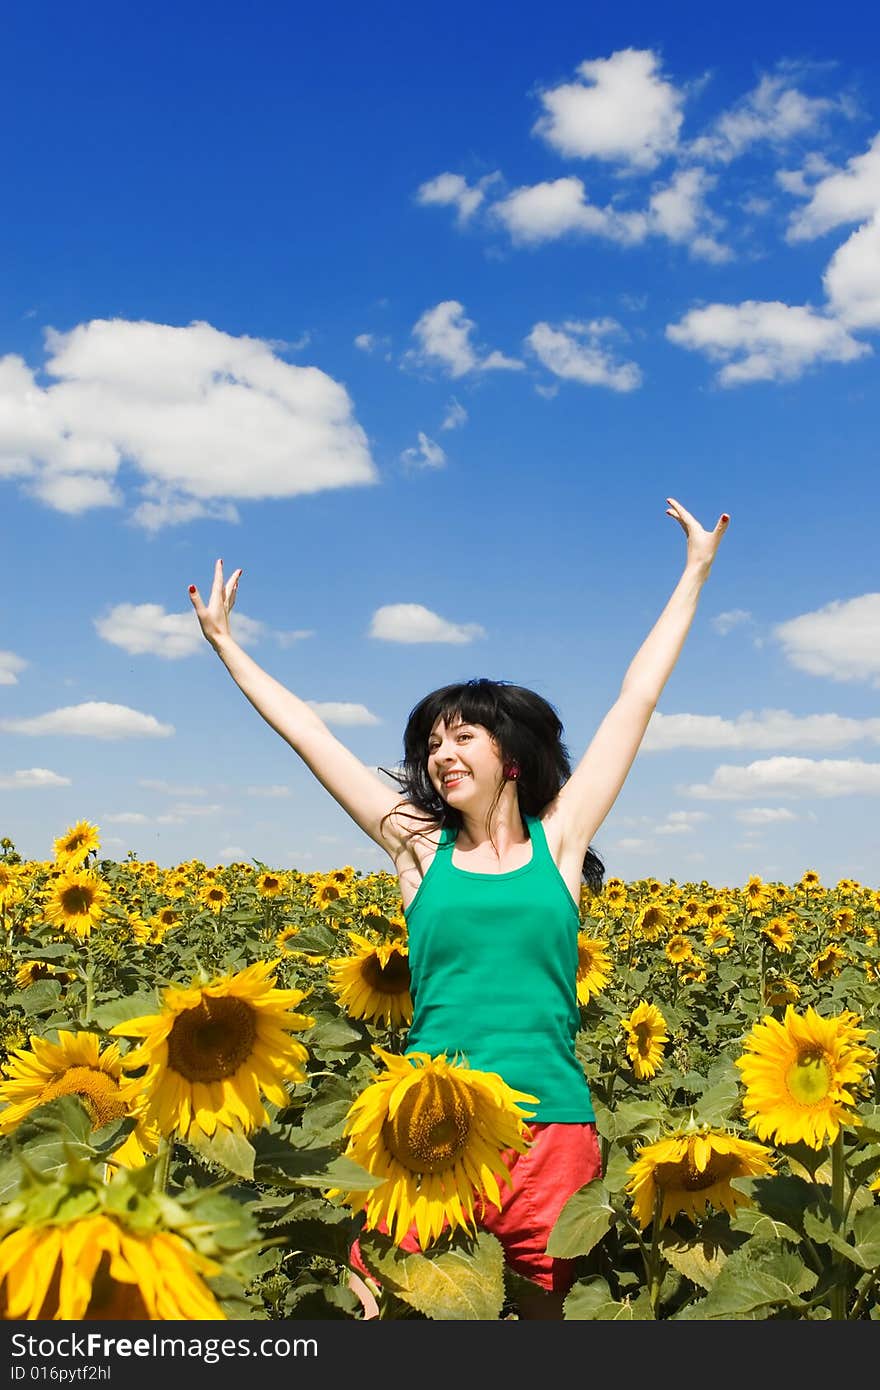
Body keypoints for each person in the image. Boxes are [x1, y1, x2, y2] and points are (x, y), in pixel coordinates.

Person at [188, 496, 730, 1319]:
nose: (440, 754)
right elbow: (313, 738)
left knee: (543, 1317)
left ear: (511, 755)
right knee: (394, 1309)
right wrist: (229, 646)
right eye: (431, 744)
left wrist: (694, 572)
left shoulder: (562, 845)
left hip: (551, 1128)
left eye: (461, 738)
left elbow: (636, 700)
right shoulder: (417, 850)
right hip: (424, 1128)